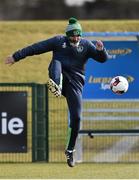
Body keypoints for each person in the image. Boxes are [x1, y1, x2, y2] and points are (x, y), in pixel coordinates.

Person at [5, 17, 109, 167]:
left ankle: (70, 150)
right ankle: (56, 85)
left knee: (77, 118)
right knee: (56, 62)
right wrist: (16, 56)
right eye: (73, 35)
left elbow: (102, 59)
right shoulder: (58, 41)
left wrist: (101, 51)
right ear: (67, 35)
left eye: (78, 34)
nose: (76, 38)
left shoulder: (86, 45)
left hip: (75, 84)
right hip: (58, 74)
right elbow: (36, 48)